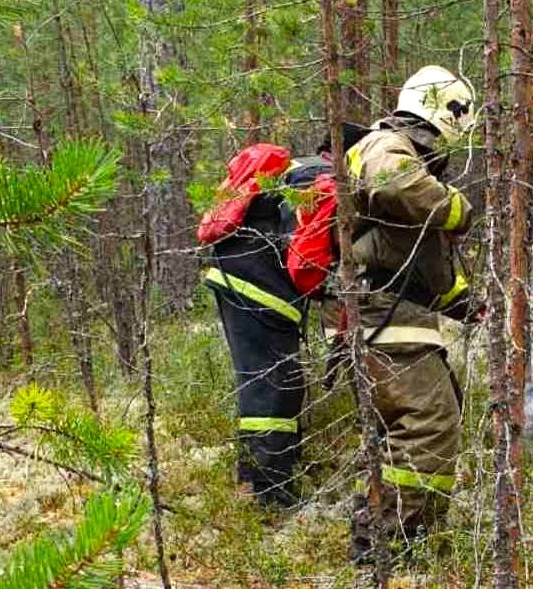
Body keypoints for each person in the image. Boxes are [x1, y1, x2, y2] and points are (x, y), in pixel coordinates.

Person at [286, 65, 482, 555]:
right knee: (427, 423)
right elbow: (393, 185)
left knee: (425, 420)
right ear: (447, 112)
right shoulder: (387, 146)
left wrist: (468, 304)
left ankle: (401, 539)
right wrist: (458, 210)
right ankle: (387, 547)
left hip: (389, 311)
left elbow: (417, 266)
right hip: (378, 313)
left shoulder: (410, 157)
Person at [198, 144, 333, 510]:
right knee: (274, 389)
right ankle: (269, 493)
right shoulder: (315, 175)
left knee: (265, 385)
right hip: (258, 290)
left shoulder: (296, 170)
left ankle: (256, 479)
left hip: (238, 281)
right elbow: (304, 250)